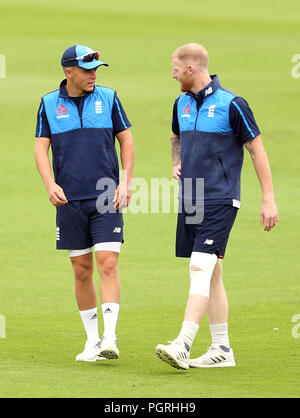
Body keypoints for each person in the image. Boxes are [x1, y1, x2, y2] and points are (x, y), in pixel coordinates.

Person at [155, 43, 279, 369]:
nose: (172, 73)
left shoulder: (232, 104)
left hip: (221, 199)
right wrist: (176, 161)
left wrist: (268, 200)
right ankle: (222, 349)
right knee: (211, 272)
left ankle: (182, 343)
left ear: (191, 69)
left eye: (176, 68)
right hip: (191, 197)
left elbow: (257, 151)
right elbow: (175, 136)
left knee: (199, 267)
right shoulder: (180, 103)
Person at [35, 44, 134, 362]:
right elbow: (41, 148)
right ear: (68, 71)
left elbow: (126, 140)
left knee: (107, 262)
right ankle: (91, 341)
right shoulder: (49, 104)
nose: (93, 75)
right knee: (81, 269)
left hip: (107, 196)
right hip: (69, 200)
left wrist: (126, 181)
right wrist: (50, 183)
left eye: (96, 70)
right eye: (87, 70)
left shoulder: (108, 98)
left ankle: (110, 337)